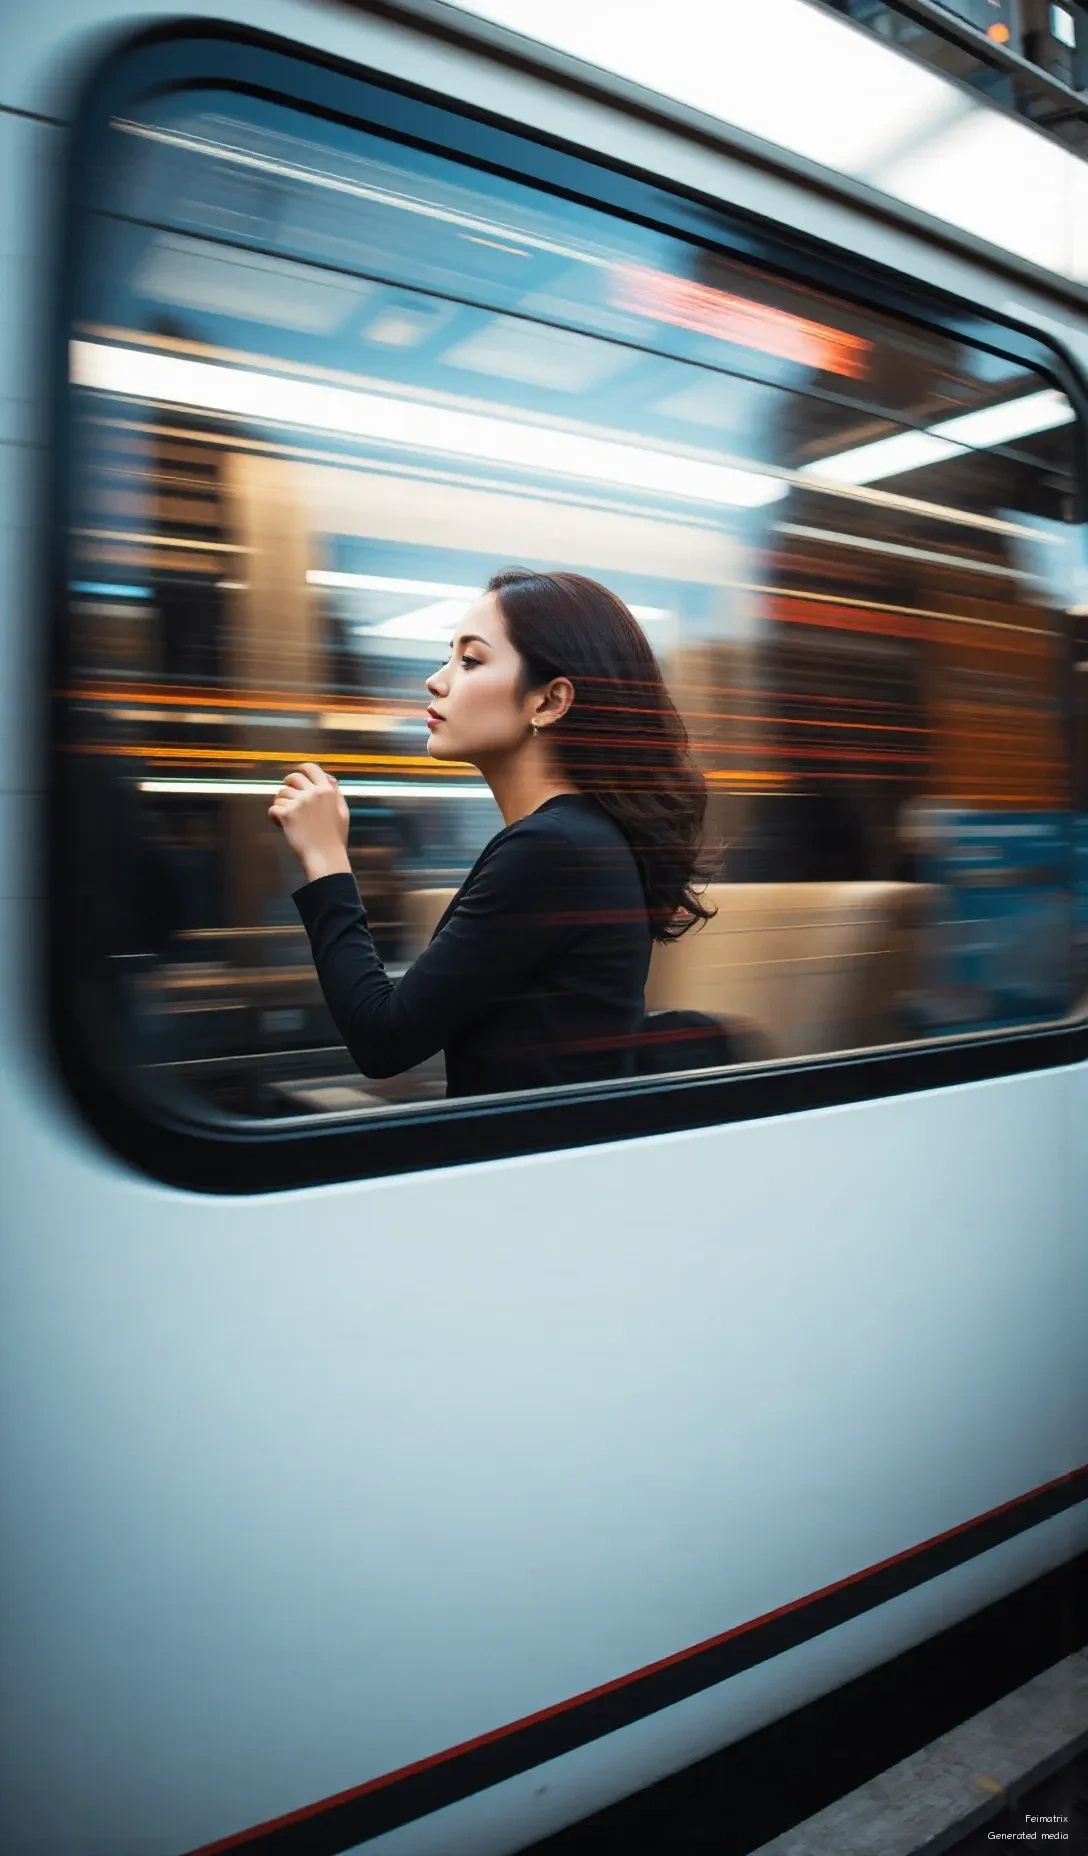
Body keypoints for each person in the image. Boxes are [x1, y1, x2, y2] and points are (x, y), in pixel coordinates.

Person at [269, 569, 716, 1096]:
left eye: (471, 660)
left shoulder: (553, 851)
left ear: (548, 702)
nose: (436, 681)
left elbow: (382, 1037)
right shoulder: (578, 838)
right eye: (450, 657)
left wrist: (325, 858)